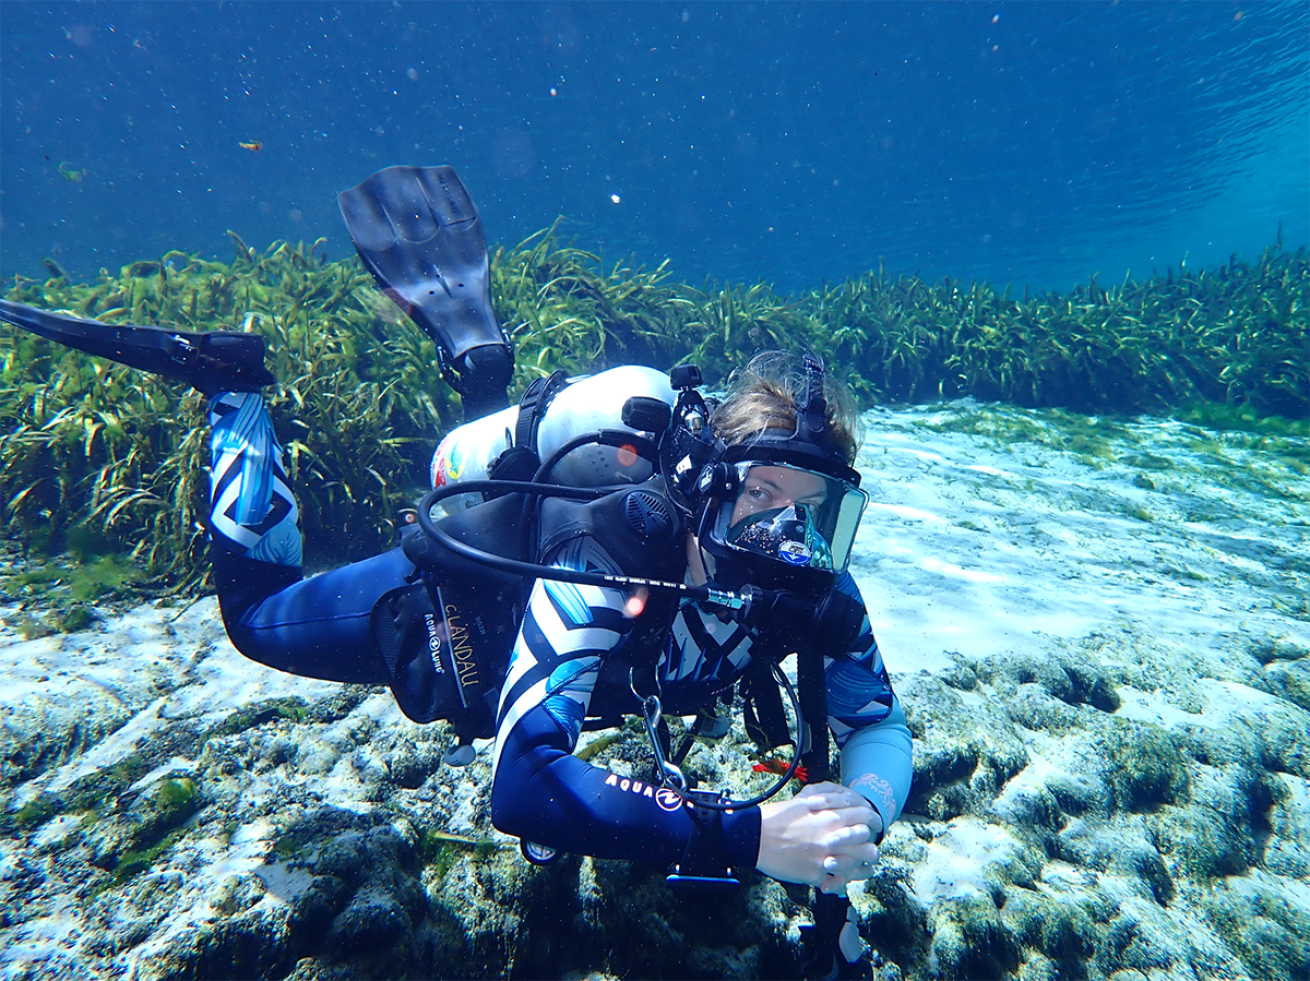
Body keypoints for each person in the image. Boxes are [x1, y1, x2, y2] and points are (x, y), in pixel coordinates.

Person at [0, 166, 912, 980]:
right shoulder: (607, 550)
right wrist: (747, 835)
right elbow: (523, 781)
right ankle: (233, 390)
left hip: (558, 592)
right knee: (254, 616)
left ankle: (483, 365)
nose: (789, 539)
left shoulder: (812, 587)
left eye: (818, 512)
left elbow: (878, 722)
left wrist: (860, 809)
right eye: (761, 497)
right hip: (460, 609)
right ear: (705, 487)